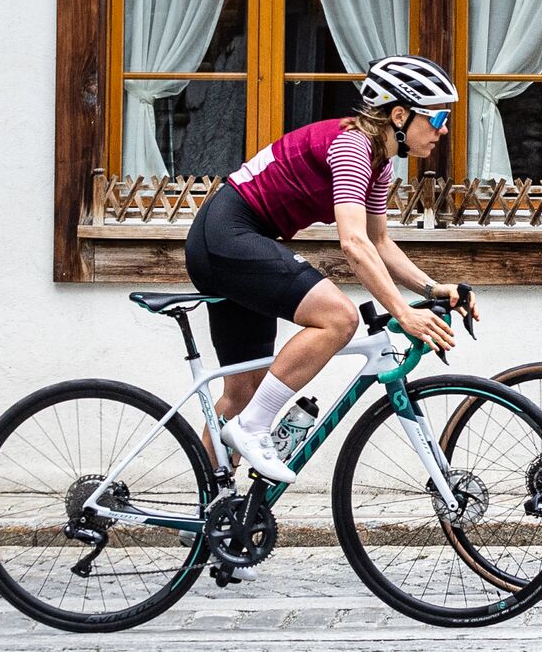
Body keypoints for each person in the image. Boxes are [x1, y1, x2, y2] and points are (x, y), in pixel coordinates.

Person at [186, 53, 469, 471]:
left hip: (237, 240)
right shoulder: (352, 146)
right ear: (399, 115)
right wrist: (402, 312)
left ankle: (211, 514)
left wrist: (430, 289)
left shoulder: (380, 163)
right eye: (439, 117)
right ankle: (253, 428)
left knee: (244, 388)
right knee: (339, 317)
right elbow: (353, 244)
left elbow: (379, 242)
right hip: (229, 234)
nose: (444, 130)